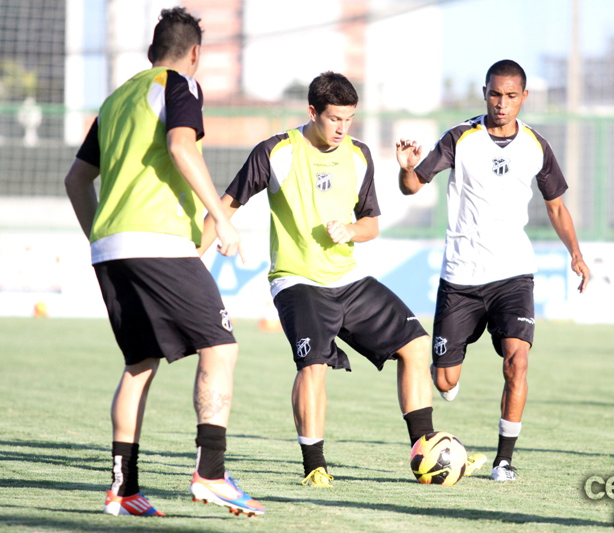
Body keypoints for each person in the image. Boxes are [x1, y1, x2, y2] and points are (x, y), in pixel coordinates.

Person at [200, 72, 480, 487]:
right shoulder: (276, 152)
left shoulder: (359, 155)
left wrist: (350, 230)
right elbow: (226, 205)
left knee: (417, 345)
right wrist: (194, 256)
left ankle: (425, 450)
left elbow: (371, 224)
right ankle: (315, 465)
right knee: (314, 365)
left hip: (348, 279)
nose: (342, 128)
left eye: (349, 119)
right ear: (313, 112)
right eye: (334, 119)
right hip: (297, 281)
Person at [64, 7, 263, 517]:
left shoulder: (116, 99)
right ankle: (211, 474)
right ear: (195, 53)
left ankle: (122, 489)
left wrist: (103, 239)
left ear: (151, 51)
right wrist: (221, 217)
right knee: (221, 347)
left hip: (111, 248)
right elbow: (180, 146)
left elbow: (75, 180)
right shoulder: (180, 84)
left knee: (139, 365)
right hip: (158, 242)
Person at [396, 59, 590, 482]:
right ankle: (448, 377)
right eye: (495, 94)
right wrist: (407, 168)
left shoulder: (536, 146)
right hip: (461, 277)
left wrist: (575, 252)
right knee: (445, 382)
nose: (502, 103)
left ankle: (504, 460)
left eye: (511, 95)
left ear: (524, 97)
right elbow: (413, 187)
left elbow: (556, 205)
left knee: (518, 362)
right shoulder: (460, 138)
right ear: (485, 93)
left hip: (513, 275)